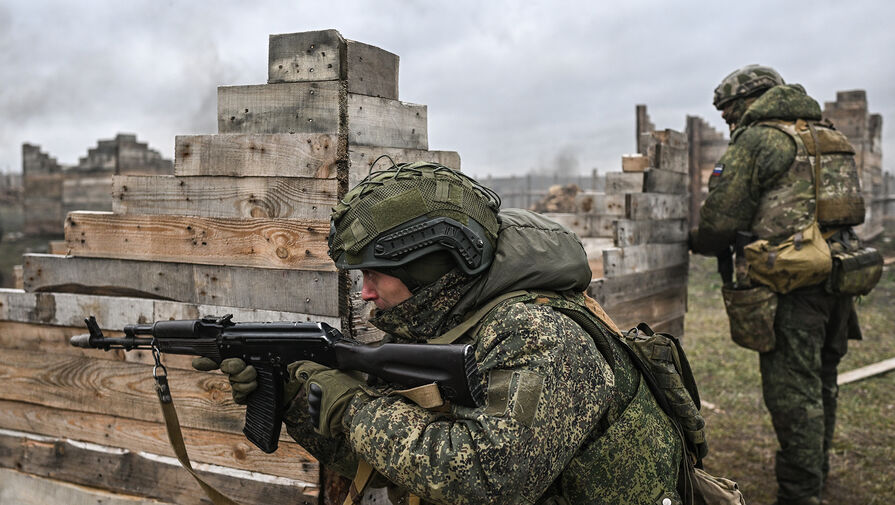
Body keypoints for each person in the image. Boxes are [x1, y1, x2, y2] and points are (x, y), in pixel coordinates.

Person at [198, 162, 685, 504]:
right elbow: (389, 461)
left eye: (375, 274)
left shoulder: (540, 336)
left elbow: (488, 482)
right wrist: (292, 399)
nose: (365, 293)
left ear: (429, 267)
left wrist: (353, 408)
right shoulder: (437, 320)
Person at [691, 65, 866, 505]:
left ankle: (800, 494)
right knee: (823, 382)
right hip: (841, 279)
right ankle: (815, 477)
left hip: (791, 286)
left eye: (730, 111)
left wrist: (697, 240)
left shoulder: (759, 141)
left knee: (795, 398)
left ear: (751, 100)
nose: (728, 121)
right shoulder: (827, 135)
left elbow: (720, 221)